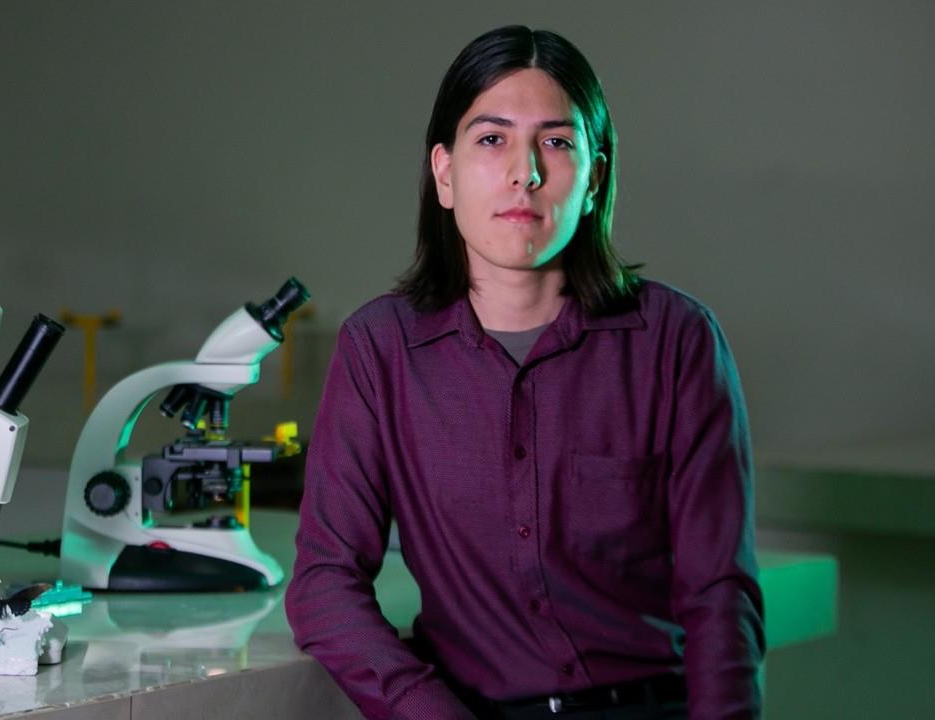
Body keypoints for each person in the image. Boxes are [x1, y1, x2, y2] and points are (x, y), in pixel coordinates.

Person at [285, 25, 764, 720]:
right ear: (444, 175)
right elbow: (324, 585)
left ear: (594, 177)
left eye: (556, 143)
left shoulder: (676, 341)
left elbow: (720, 592)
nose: (525, 173)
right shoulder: (381, 348)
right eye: (492, 139)